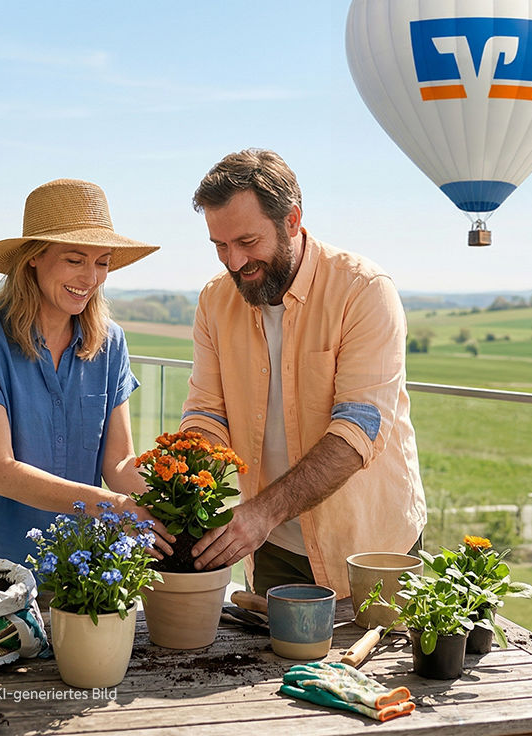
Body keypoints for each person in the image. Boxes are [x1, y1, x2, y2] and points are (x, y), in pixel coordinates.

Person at [180, 149, 426, 598]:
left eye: (247, 242)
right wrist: (190, 484)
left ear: (291, 220)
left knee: (374, 667)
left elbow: (358, 430)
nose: (234, 262)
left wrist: (260, 513)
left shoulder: (364, 291)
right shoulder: (214, 301)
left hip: (370, 548)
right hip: (270, 547)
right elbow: (206, 413)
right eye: (220, 246)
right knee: (275, 669)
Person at [0, 178, 171, 567]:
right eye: (74, 260)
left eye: (102, 263)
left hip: (71, 565)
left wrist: (172, 510)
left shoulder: (110, 343)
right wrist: (112, 506)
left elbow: (119, 462)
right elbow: (0, 472)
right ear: (34, 256)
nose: (90, 279)